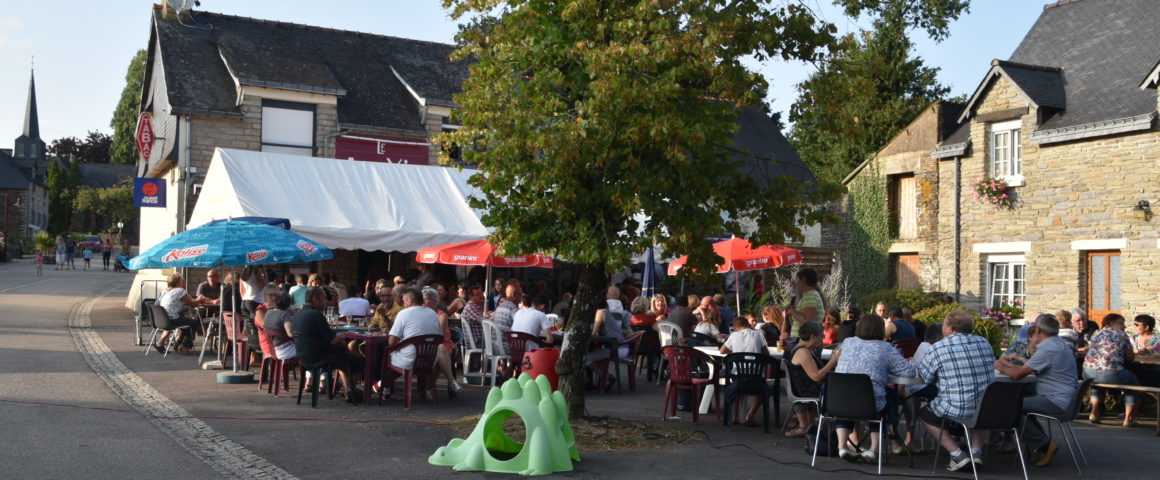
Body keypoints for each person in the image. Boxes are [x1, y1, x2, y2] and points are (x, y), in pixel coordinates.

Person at [994, 313, 1078, 467]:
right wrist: (1008, 366)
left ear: (1038, 330)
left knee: (1008, 407)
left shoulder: (1047, 348)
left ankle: (1044, 445)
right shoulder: (1058, 343)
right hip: (1065, 398)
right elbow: (1028, 369)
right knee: (1017, 403)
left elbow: (1018, 374)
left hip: (1055, 400)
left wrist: (1000, 366)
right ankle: (1039, 445)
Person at [917, 310, 996, 472]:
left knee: (925, 413)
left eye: (944, 324)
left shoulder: (938, 348)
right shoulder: (984, 343)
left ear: (950, 328)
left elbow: (925, 377)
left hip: (957, 408)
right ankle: (976, 452)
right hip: (987, 409)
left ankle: (957, 454)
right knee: (981, 407)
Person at [833, 314, 916, 463]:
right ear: (880, 329)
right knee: (885, 398)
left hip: (839, 402)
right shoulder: (885, 347)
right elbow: (909, 372)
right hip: (870, 404)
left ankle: (842, 446)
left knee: (849, 403)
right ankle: (873, 449)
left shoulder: (847, 342)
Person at [291, 286, 362, 402]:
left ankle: (349, 390)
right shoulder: (316, 315)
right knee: (357, 359)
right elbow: (333, 340)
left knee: (345, 356)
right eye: (324, 298)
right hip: (320, 358)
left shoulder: (298, 314)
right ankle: (350, 390)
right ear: (315, 299)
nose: (326, 301)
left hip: (305, 357)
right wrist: (342, 335)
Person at [381, 287, 445, 397]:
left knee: (387, 355)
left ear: (409, 301)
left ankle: (384, 387)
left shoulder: (403, 313)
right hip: (430, 360)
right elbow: (439, 336)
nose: (403, 304)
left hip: (410, 360)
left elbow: (391, 342)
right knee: (401, 355)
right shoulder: (433, 313)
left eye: (404, 301)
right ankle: (425, 391)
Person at [720, 313, 779, 426]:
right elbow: (766, 353)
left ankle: (734, 416)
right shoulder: (758, 335)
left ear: (735, 328)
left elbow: (722, 351)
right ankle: (750, 415)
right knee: (763, 391)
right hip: (756, 378)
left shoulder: (733, 335)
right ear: (747, 324)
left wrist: (736, 351)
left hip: (738, 378)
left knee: (737, 388)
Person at [784, 321, 840, 437]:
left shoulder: (807, 350)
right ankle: (843, 428)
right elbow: (816, 376)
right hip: (806, 390)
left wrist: (831, 363)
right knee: (843, 391)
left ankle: (816, 427)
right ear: (813, 337)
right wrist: (832, 361)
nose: (823, 338)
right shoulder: (803, 352)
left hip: (807, 388)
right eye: (821, 335)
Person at [1083, 313, 1140, 426]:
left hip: (1088, 372)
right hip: (1111, 373)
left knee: (1098, 385)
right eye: (1121, 323)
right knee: (1134, 386)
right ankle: (1128, 419)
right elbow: (1130, 357)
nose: (1124, 326)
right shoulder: (1121, 334)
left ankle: (1094, 414)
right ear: (1112, 323)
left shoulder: (1096, 333)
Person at [421, 287, 464, 396]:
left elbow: (438, 336)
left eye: (426, 299)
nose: (423, 301)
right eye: (422, 299)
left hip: (442, 343)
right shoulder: (418, 314)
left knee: (439, 351)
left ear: (434, 301)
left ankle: (430, 388)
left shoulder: (441, 315)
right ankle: (447, 383)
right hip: (422, 344)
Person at [154, 273, 203, 355]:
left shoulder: (165, 290)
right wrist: (199, 299)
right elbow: (191, 303)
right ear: (177, 283)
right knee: (194, 323)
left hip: (163, 319)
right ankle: (183, 346)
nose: (185, 284)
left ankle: (177, 344)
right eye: (183, 282)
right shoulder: (180, 291)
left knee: (185, 323)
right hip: (172, 320)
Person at [783, 268, 826, 344]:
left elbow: (809, 322)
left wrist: (792, 312)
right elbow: (798, 323)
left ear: (803, 279)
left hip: (806, 343)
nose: (795, 283)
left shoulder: (810, 296)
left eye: (796, 279)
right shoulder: (808, 295)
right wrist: (791, 313)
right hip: (800, 341)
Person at [262, 291, 297, 361]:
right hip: (285, 351)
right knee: (310, 347)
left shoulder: (268, 313)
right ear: (288, 304)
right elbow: (290, 334)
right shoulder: (284, 315)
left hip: (273, 349)